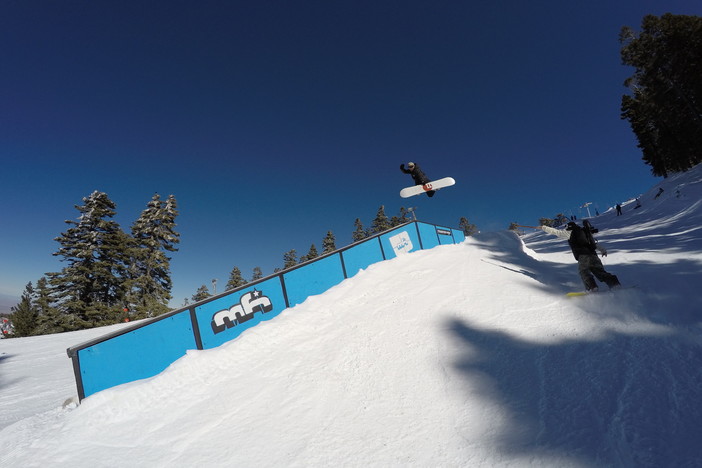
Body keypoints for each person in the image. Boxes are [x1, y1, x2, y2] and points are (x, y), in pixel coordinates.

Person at [540, 220, 621, 292]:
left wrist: (544, 227)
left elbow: (557, 232)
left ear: (569, 227)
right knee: (600, 272)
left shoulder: (570, 232)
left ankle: (592, 287)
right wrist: (603, 250)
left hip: (583, 256)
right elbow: (593, 243)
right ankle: (614, 283)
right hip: (593, 255)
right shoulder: (584, 232)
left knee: (584, 272)